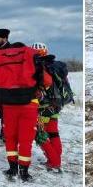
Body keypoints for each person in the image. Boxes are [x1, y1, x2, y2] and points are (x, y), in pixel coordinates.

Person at [0, 38, 50, 182]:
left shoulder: (3, 63)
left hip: (8, 105)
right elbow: (47, 81)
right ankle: (24, 171)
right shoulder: (30, 59)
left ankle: (12, 168)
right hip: (29, 105)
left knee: (10, 137)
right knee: (26, 140)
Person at [32, 42, 63, 173]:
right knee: (54, 133)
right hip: (56, 105)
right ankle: (57, 159)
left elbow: (39, 89)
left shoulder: (39, 68)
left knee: (40, 135)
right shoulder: (53, 66)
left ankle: (54, 162)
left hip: (43, 108)